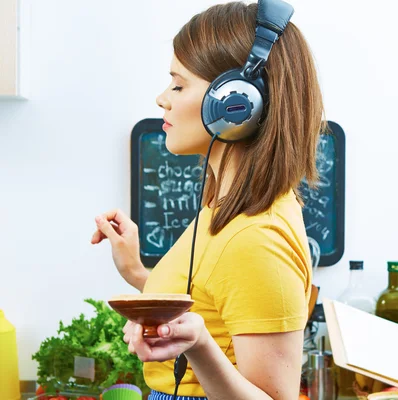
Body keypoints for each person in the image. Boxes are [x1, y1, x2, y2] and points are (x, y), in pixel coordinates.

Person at [90, 1, 325, 399]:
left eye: (178, 85)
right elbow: (217, 311)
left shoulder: (256, 237)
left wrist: (197, 346)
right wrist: (136, 272)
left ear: (236, 104)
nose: (161, 98)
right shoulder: (226, 208)